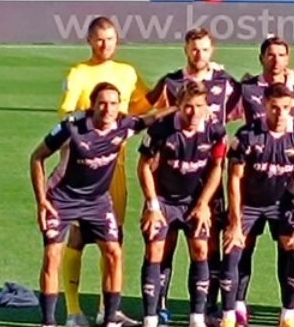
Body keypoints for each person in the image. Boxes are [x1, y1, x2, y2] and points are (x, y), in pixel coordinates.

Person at [30, 83, 153, 327]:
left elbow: (151, 118)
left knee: (114, 253)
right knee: (53, 255)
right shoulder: (72, 128)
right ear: (93, 105)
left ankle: (110, 318)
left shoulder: (124, 126)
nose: (108, 109)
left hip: (97, 201)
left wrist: (179, 107)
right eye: (103, 103)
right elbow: (37, 157)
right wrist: (42, 200)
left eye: (114, 104)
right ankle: (49, 321)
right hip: (61, 200)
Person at [58, 17, 153, 327]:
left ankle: (107, 310)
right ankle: (73, 311)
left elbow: (144, 104)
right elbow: (66, 112)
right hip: (82, 171)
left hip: (116, 171)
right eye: (99, 39)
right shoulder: (79, 73)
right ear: (89, 41)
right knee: (76, 236)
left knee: (113, 240)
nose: (105, 45)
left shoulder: (127, 73)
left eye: (110, 39)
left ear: (118, 40)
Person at [146, 28, 241, 324]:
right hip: (171, 175)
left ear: (212, 50)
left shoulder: (226, 82)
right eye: (194, 49)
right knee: (166, 242)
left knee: (207, 244)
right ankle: (159, 307)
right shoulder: (171, 82)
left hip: (206, 178)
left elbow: (249, 106)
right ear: (186, 50)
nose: (199, 54)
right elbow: (150, 112)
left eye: (204, 49)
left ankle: (205, 308)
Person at [219, 83, 294, 327]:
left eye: (285, 108)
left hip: (282, 204)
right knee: (234, 248)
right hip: (250, 203)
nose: (280, 113)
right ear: (264, 105)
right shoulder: (246, 136)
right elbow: (234, 179)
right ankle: (230, 315)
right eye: (274, 107)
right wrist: (234, 222)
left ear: (293, 107)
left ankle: (288, 315)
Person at [138, 81, 228, 327]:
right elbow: (144, 167)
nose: (194, 113)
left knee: (201, 250)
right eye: (188, 106)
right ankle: (150, 317)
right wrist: (153, 206)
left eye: (200, 106)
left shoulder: (216, 131)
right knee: (156, 251)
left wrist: (203, 205)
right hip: (163, 201)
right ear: (178, 105)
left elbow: (216, 168)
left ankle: (197, 317)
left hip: (193, 201)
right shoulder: (161, 129)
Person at [231, 36, 294, 324]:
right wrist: (225, 141)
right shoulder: (247, 88)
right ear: (261, 57)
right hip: (251, 180)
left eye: (281, 55)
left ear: (288, 59)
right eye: (270, 55)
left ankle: (288, 309)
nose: (276, 60)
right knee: (244, 244)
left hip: (284, 181)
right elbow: (219, 113)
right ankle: (238, 305)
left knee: (288, 246)